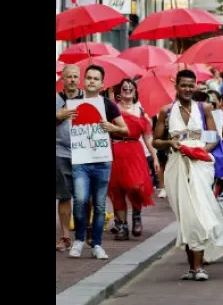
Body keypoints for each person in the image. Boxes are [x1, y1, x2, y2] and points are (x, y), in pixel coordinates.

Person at [153, 69, 223, 281]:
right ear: (176, 87)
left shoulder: (204, 108)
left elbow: (214, 137)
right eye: (183, 85)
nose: (187, 89)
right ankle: (192, 267)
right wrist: (171, 142)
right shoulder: (166, 111)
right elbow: (155, 140)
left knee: (199, 213)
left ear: (195, 86)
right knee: (186, 216)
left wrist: (201, 150)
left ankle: (199, 267)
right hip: (177, 165)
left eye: (191, 85)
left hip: (200, 165)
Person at [68, 65, 130, 260]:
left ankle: (96, 244)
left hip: (102, 161)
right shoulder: (72, 103)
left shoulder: (108, 105)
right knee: (80, 200)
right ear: (83, 81)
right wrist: (61, 115)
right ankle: (79, 239)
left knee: (101, 205)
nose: (91, 81)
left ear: (102, 83)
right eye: (88, 78)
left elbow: (125, 130)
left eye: (96, 78)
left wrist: (111, 127)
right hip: (80, 160)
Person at [109, 78, 158, 240]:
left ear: (135, 91)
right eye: (124, 88)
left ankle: (136, 216)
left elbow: (147, 138)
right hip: (115, 151)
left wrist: (155, 157)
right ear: (119, 92)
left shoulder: (140, 111)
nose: (127, 90)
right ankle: (122, 226)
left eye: (130, 88)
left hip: (135, 152)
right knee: (117, 191)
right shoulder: (113, 109)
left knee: (136, 187)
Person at [56, 65, 83, 252]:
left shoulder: (90, 98)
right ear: (63, 79)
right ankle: (66, 236)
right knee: (64, 196)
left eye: (75, 76)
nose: (72, 80)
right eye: (69, 77)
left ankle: (84, 235)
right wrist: (59, 116)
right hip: (60, 152)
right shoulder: (56, 99)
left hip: (84, 153)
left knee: (83, 197)